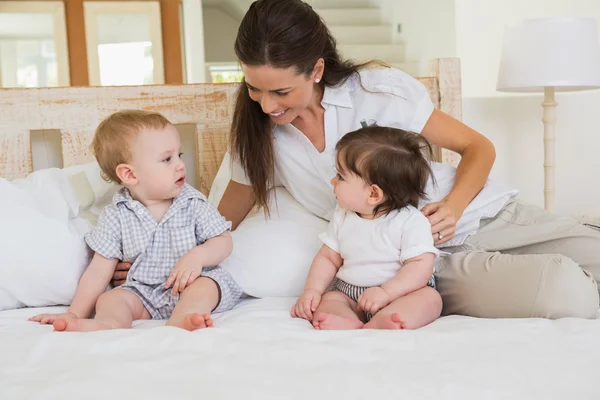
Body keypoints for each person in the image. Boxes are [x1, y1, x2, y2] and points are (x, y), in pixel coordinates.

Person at [113, 0, 599, 319]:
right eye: (254, 89)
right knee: (565, 290)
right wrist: (153, 259)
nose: (267, 105)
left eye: (281, 90)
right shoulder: (257, 138)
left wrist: (452, 207)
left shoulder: (378, 91)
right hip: (412, 266)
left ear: (317, 68)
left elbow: (479, 148)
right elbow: (220, 223)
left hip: (486, 214)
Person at [30, 110, 243, 332]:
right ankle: (109, 323)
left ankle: (185, 317)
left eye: (179, 155)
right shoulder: (116, 216)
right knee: (112, 299)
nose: (180, 164)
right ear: (130, 175)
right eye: (167, 159)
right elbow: (98, 272)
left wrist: (198, 256)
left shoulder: (192, 202)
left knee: (207, 286)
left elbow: (223, 241)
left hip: (190, 283)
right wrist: (74, 312)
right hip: (144, 293)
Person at [291, 126, 442, 330]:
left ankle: (389, 319)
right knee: (332, 299)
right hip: (350, 292)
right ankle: (343, 318)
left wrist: (387, 293)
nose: (332, 181)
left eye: (341, 177)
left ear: (373, 194)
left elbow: (420, 265)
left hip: (400, 292)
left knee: (430, 299)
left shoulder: (410, 221)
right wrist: (312, 290)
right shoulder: (342, 216)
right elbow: (328, 258)